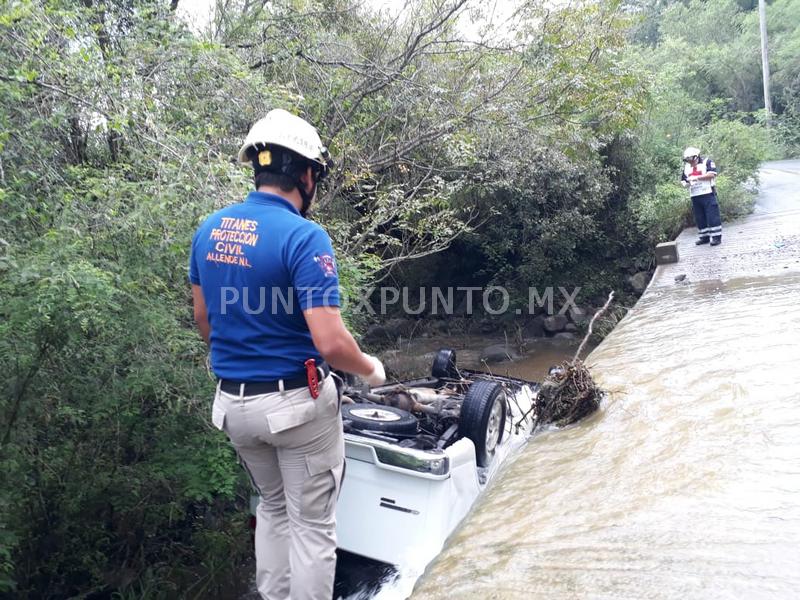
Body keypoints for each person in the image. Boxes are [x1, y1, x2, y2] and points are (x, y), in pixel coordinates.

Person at [189, 109, 386, 600]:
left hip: (234, 406)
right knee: (313, 526)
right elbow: (331, 343)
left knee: (274, 509)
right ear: (306, 173)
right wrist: (371, 368)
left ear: (256, 166)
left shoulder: (209, 229)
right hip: (295, 408)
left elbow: (204, 322)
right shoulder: (304, 236)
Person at [681, 146, 722, 246]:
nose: (690, 162)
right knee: (700, 217)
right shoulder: (687, 167)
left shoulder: (707, 162)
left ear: (696, 156)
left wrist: (696, 178)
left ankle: (716, 237)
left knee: (712, 216)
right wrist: (686, 183)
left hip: (707, 193)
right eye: (688, 160)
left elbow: (712, 174)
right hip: (695, 195)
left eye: (691, 159)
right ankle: (704, 237)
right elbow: (683, 180)